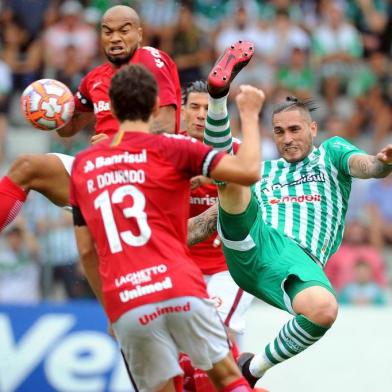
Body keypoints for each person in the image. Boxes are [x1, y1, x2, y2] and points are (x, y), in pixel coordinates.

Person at [193, 40, 392, 387]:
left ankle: (251, 370)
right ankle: (217, 97)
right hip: (252, 242)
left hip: (297, 262)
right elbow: (204, 223)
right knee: (233, 173)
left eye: (295, 130)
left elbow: (365, 165)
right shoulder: (266, 171)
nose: (287, 139)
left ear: (313, 129)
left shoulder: (330, 154)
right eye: (280, 132)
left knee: (323, 310)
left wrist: (380, 164)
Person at [70, 63, 265, 391]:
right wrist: (249, 112)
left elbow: (88, 250)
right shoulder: (174, 150)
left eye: (208, 108)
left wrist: (110, 309)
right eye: (195, 107)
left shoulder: (84, 164)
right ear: (163, 108)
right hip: (180, 282)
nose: (202, 115)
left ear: (111, 108)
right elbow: (249, 170)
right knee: (227, 379)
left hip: (136, 294)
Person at [0, 5, 181, 232]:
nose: (115, 38)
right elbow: (67, 129)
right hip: (103, 171)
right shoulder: (94, 78)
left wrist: (117, 144)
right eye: (108, 31)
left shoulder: (150, 59)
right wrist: (52, 107)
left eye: (124, 31)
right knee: (26, 167)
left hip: (145, 174)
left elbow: (166, 128)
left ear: (140, 34)